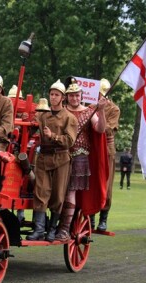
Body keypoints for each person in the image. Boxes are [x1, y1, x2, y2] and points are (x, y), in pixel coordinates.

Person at [54, 78, 107, 242]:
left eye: (77, 95)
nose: (74, 98)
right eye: (71, 96)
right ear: (67, 97)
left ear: (81, 96)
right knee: (55, 190)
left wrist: (102, 110)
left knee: (70, 191)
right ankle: (51, 225)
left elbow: (100, 129)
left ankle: (63, 230)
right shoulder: (61, 112)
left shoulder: (89, 111)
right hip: (60, 154)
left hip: (80, 155)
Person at [28, 80, 78, 241]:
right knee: (40, 192)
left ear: (62, 98)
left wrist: (53, 136)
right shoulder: (43, 115)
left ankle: (52, 229)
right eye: (51, 94)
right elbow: (32, 124)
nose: (53, 97)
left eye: (57, 95)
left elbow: (70, 141)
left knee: (57, 195)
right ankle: (39, 229)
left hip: (61, 159)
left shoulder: (69, 118)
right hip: (43, 157)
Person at [93, 78, 121, 231]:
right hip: (91, 148)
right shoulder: (90, 106)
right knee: (89, 182)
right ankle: (89, 216)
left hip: (106, 149)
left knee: (106, 183)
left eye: (100, 94)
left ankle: (103, 217)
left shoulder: (114, 109)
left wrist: (100, 116)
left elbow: (108, 129)